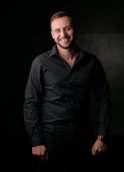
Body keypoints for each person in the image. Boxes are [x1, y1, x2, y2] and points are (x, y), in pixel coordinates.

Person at [23, 11, 111, 172]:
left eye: (67, 28)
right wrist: (36, 141)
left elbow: (104, 99)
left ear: (74, 29)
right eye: (57, 30)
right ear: (52, 34)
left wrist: (101, 136)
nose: (63, 34)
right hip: (51, 140)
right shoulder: (40, 62)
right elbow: (31, 103)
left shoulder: (92, 62)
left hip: (85, 138)